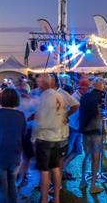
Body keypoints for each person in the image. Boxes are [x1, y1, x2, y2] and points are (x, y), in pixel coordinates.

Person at [0, 88, 27, 203]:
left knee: (2, 188)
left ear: (2, 99)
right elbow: (24, 136)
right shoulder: (21, 115)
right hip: (15, 156)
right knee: (12, 185)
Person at [33, 73, 67, 203]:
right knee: (56, 167)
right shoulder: (59, 95)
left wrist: (32, 138)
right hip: (57, 137)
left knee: (44, 170)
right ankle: (57, 198)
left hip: (44, 138)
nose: (38, 85)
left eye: (39, 82)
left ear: (44, 83)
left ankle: (45, 199)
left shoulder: (44, 97)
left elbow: (39, 120)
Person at [78, 77, 105, 194]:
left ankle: (82, 180)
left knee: (86, 156)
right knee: (96, 158)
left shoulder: (84, 96)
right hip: (96, 130)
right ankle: (93, 185)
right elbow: (102, 112)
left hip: (85, 130)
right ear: (101, 85)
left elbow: (81, 113)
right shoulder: (102, 96)